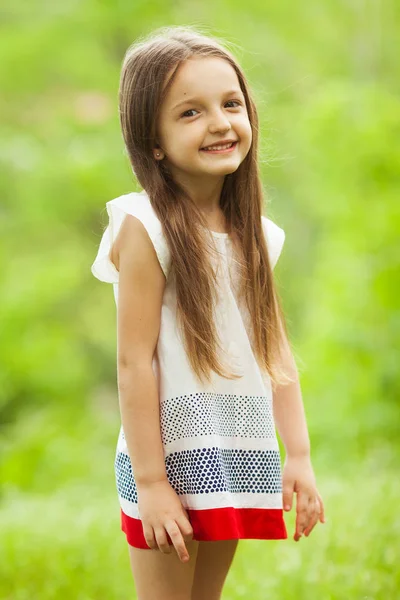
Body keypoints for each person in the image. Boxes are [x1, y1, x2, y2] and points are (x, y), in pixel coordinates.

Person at [91, 24, 325, 600]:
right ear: (152, 140)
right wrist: (151, 483)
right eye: (190, 113)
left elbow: (274, 350)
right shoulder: (144, 228)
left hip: (235, 449)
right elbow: (134, 363)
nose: (221, 123)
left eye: (231, 104)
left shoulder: (257, 235)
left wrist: (298, 455)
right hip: (167, 458)